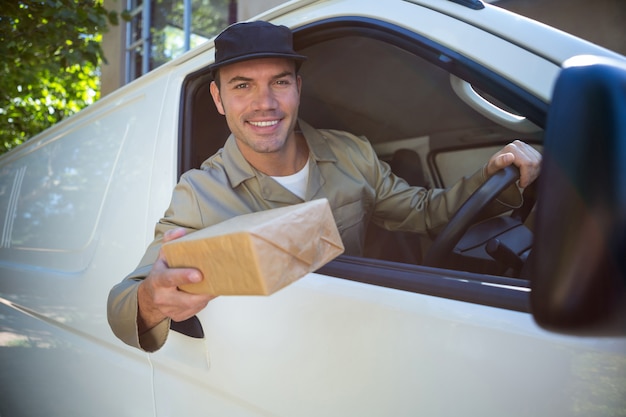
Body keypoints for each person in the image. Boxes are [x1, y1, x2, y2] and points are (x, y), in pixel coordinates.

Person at [107, 21, 541, 352]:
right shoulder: (200, 193)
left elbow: (425, 212)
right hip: (280, 361)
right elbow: (123, 305)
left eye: (279, 82)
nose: (265, 103)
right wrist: (151, 298)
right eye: (242, 86)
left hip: (374, 340)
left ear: (298, 88)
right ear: (220, 100)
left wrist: (492, 177)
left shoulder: (351, 152)